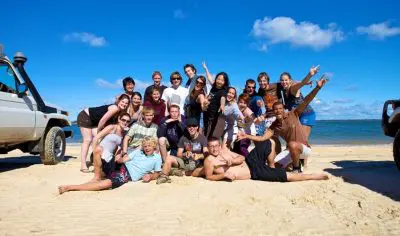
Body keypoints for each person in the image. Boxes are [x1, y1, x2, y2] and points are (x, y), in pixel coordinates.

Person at [237, 77, 329, 172]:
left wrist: (317, 88)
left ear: (283, 108)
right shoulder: (275, 125)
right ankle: (289, 163)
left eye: (280, 109)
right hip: (290, 151)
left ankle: (296, 168)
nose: (278, 111)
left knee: (292, 144)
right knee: (272, 166)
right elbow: (262, 138)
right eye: (275, 109)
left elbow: (306, 100)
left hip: (303, 150)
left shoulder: (294, 113)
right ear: (273, 111)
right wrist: (246, 135)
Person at [58, 137, 162, 194]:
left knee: (106, 184)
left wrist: (150, 176)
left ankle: (70, 187)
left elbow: (157, 174)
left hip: (126, 175)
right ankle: (97, 176)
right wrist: (119, 158)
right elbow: (124, 160)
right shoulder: (138, 152)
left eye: (149, 146)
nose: (147, 148)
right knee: (98, 149)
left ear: (153, 146)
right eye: (145, 146)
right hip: (121, 166)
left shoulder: (157, 158)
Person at [203, 137, 328, 182]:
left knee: (269, 141)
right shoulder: (209, 161)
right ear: (208, 148)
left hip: (249, 160)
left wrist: (233, 161)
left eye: (216, 146)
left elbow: (241, 157)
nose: (214, 149)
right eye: (211, 147)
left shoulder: (224, 151)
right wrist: (224, 175)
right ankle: (313, 176)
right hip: (254, 172)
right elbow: (209, 177)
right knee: (285, 176)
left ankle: (271, 165)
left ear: (219, 146)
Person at [77, 94, 130, 172]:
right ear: (118, 101)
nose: (124, 104)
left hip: (94, 120)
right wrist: (99, 132)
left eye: (126, 103)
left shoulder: (119, 111)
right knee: (87, 140)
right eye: (123, 102)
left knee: (100, 139)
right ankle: (83, 165)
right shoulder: (114, 108)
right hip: (86, 116)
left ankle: (96, 156)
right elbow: (103, 120)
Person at [156, 118, 208, 184]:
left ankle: (181, 172)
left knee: (205, 169)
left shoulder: (202, 138)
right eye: (189, 126)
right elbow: (179, 154)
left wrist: (198, 156)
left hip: (197, 164)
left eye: (194, 126)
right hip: (185, 162)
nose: (191, 128)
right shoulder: (184, 138)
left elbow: (206, 153)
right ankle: (164, 176)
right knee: (169, 158)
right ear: (187, 127)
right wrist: (185, 154)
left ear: (197, 127)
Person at [279, 66, 319, 139]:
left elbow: (301, 83)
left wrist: (310, 75)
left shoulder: (293, 88)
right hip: (297, 116)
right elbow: (299, 81)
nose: (284, 82)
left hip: (306, 114)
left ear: (290, 80)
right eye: (282, 80)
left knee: (302, 140)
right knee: (293, 138)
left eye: (286, 80)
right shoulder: (283, 90)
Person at [91, 113, 131, 181]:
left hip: (109, 157)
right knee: (99, 149)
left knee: (108, 174)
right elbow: (96, 138)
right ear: (119, 119)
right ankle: (96, 176)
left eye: (127, 121)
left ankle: (100, 173)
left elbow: (117, 148)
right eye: (123, 120)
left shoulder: (124, 133)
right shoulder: (112, 127)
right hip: (99, 154)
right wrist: (94, 151)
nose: (125, 122)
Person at [204, 72, 230, 138]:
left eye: (222, 80)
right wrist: (206, 69)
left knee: (211, 132)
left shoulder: (223, 91)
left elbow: (223, 98)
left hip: (214, 115)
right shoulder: (214, 87)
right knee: (205, 131)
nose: (219, 81)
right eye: (218, 79)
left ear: (225, 82)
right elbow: (209, 78)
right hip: (206, 112)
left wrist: (222, 105)